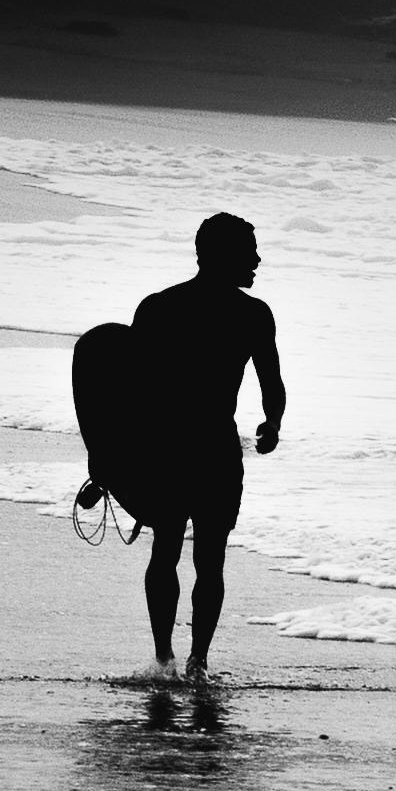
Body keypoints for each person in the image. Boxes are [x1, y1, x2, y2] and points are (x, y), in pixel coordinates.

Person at [121, 212, 284, 679]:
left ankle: (164, 658)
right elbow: (272, 383)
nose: (257, 259)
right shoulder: (252, 314)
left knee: (166, 549)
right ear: (223, 255)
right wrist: (272, 424)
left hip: (165, 450)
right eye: (249, 250)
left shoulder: (158, 308)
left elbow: (126, 389)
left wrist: (112, 454)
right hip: (213, 451)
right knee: (210, 560)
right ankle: (197, 663)